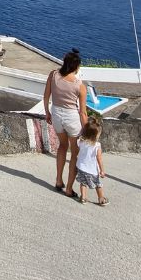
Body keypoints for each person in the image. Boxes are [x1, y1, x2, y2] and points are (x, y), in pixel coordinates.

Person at [43, 48, 88, 198]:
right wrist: (87, 128)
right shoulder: (79, 85)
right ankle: (69, 188)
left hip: (56, 114)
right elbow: (82, 112)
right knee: (75, 153)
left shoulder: (53, 75)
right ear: (76, 66)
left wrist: (47, 112)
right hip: (71, 118)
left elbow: (46, 96)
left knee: (62, 146)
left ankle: (58, 180)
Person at [75, 119, 108, 205]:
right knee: (97, 184)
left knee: (83, 183)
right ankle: (101, 199)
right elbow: (99, 159)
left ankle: (83, 198)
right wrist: (102, 170)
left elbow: (79, 148)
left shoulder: (80, 142)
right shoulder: (97, 145)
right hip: (92, 170)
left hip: (81, 167)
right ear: (96, 135)